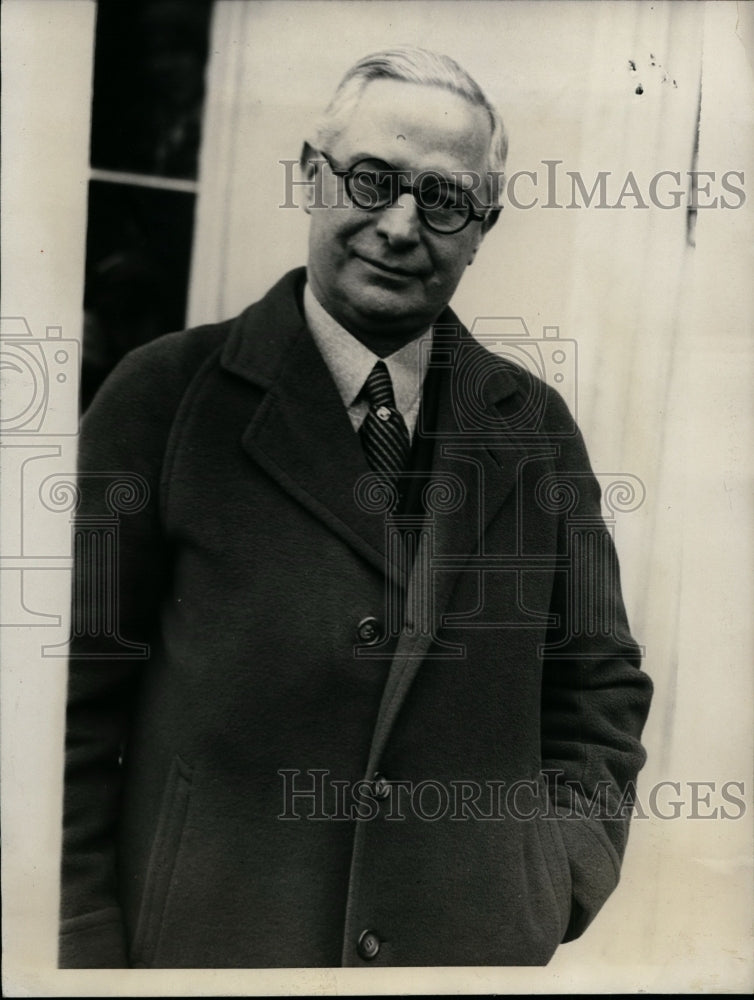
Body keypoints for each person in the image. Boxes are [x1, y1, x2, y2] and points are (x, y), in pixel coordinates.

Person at [59, 46, 653, 968]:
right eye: (372, 179)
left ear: (483, 228)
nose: (401, 225)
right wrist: (84, 954)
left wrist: (552, 876)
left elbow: (599, 681)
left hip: (460, 960)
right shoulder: (162, 400)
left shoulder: (535, 430)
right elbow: (63, 713)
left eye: (444, 199)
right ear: (312, 175)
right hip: (212, 956)